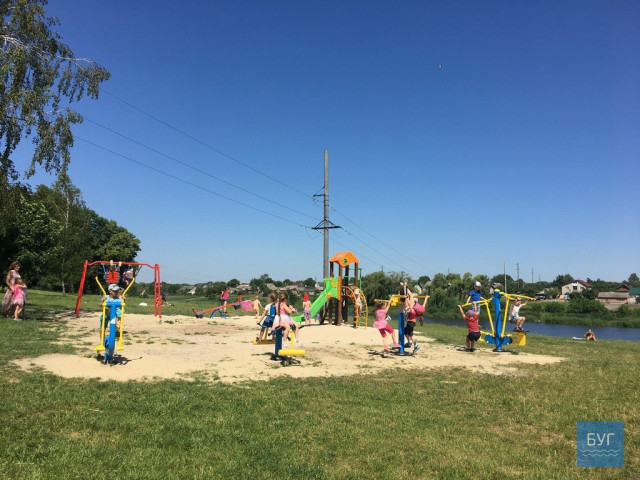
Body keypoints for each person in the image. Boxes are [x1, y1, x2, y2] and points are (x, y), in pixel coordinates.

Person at [403, 289, 428, 353]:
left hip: (410, 322)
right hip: (412, 323)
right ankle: (415, 345)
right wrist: (426, 297)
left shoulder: (413, 311)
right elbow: (424, 303)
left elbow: (409, 305)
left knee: (405, 332)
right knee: (411, 335)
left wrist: (407, 298)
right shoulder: (417, 311)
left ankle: (410, 343)